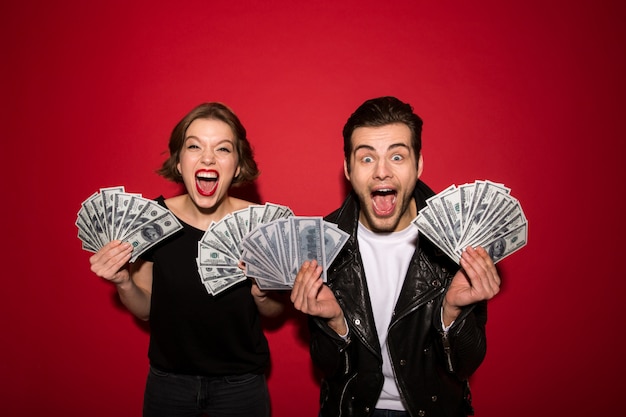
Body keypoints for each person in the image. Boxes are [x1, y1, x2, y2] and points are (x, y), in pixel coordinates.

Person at [290, 96, 501, 417]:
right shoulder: (322, 244)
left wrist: (452, 314)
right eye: (366, 159)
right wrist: (334, 324)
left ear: (418, 165)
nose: (382, 172)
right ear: (348, 168)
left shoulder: (459, 241)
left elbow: (463, 366)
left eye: (397, 156)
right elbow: (329, 369)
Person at [89, 102, 284, 417]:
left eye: (222, 149)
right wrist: (124, 282)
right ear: (179, 162)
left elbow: (274, 312)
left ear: (237, 165)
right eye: (194, 146)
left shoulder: (258, 225)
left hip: (241, 387)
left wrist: (262, 291)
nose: (208, 157)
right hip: (169, 386)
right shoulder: (152, 220)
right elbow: (144, 310)